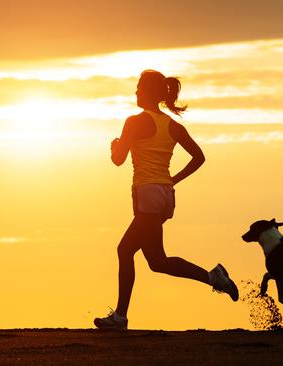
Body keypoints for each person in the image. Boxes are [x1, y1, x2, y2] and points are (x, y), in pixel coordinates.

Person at [94, 70, 239, 331]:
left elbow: (118, 160)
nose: (136, 92)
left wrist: (114, 147)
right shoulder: (172, 126)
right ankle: (213, 277)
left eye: (139, 87)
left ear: (149, 91)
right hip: (165, 197)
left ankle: (120, 317)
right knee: (157, 261)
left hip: (147, 195)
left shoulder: (134, 122)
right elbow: (199, 157)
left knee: (125, 250)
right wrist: (173, 180)